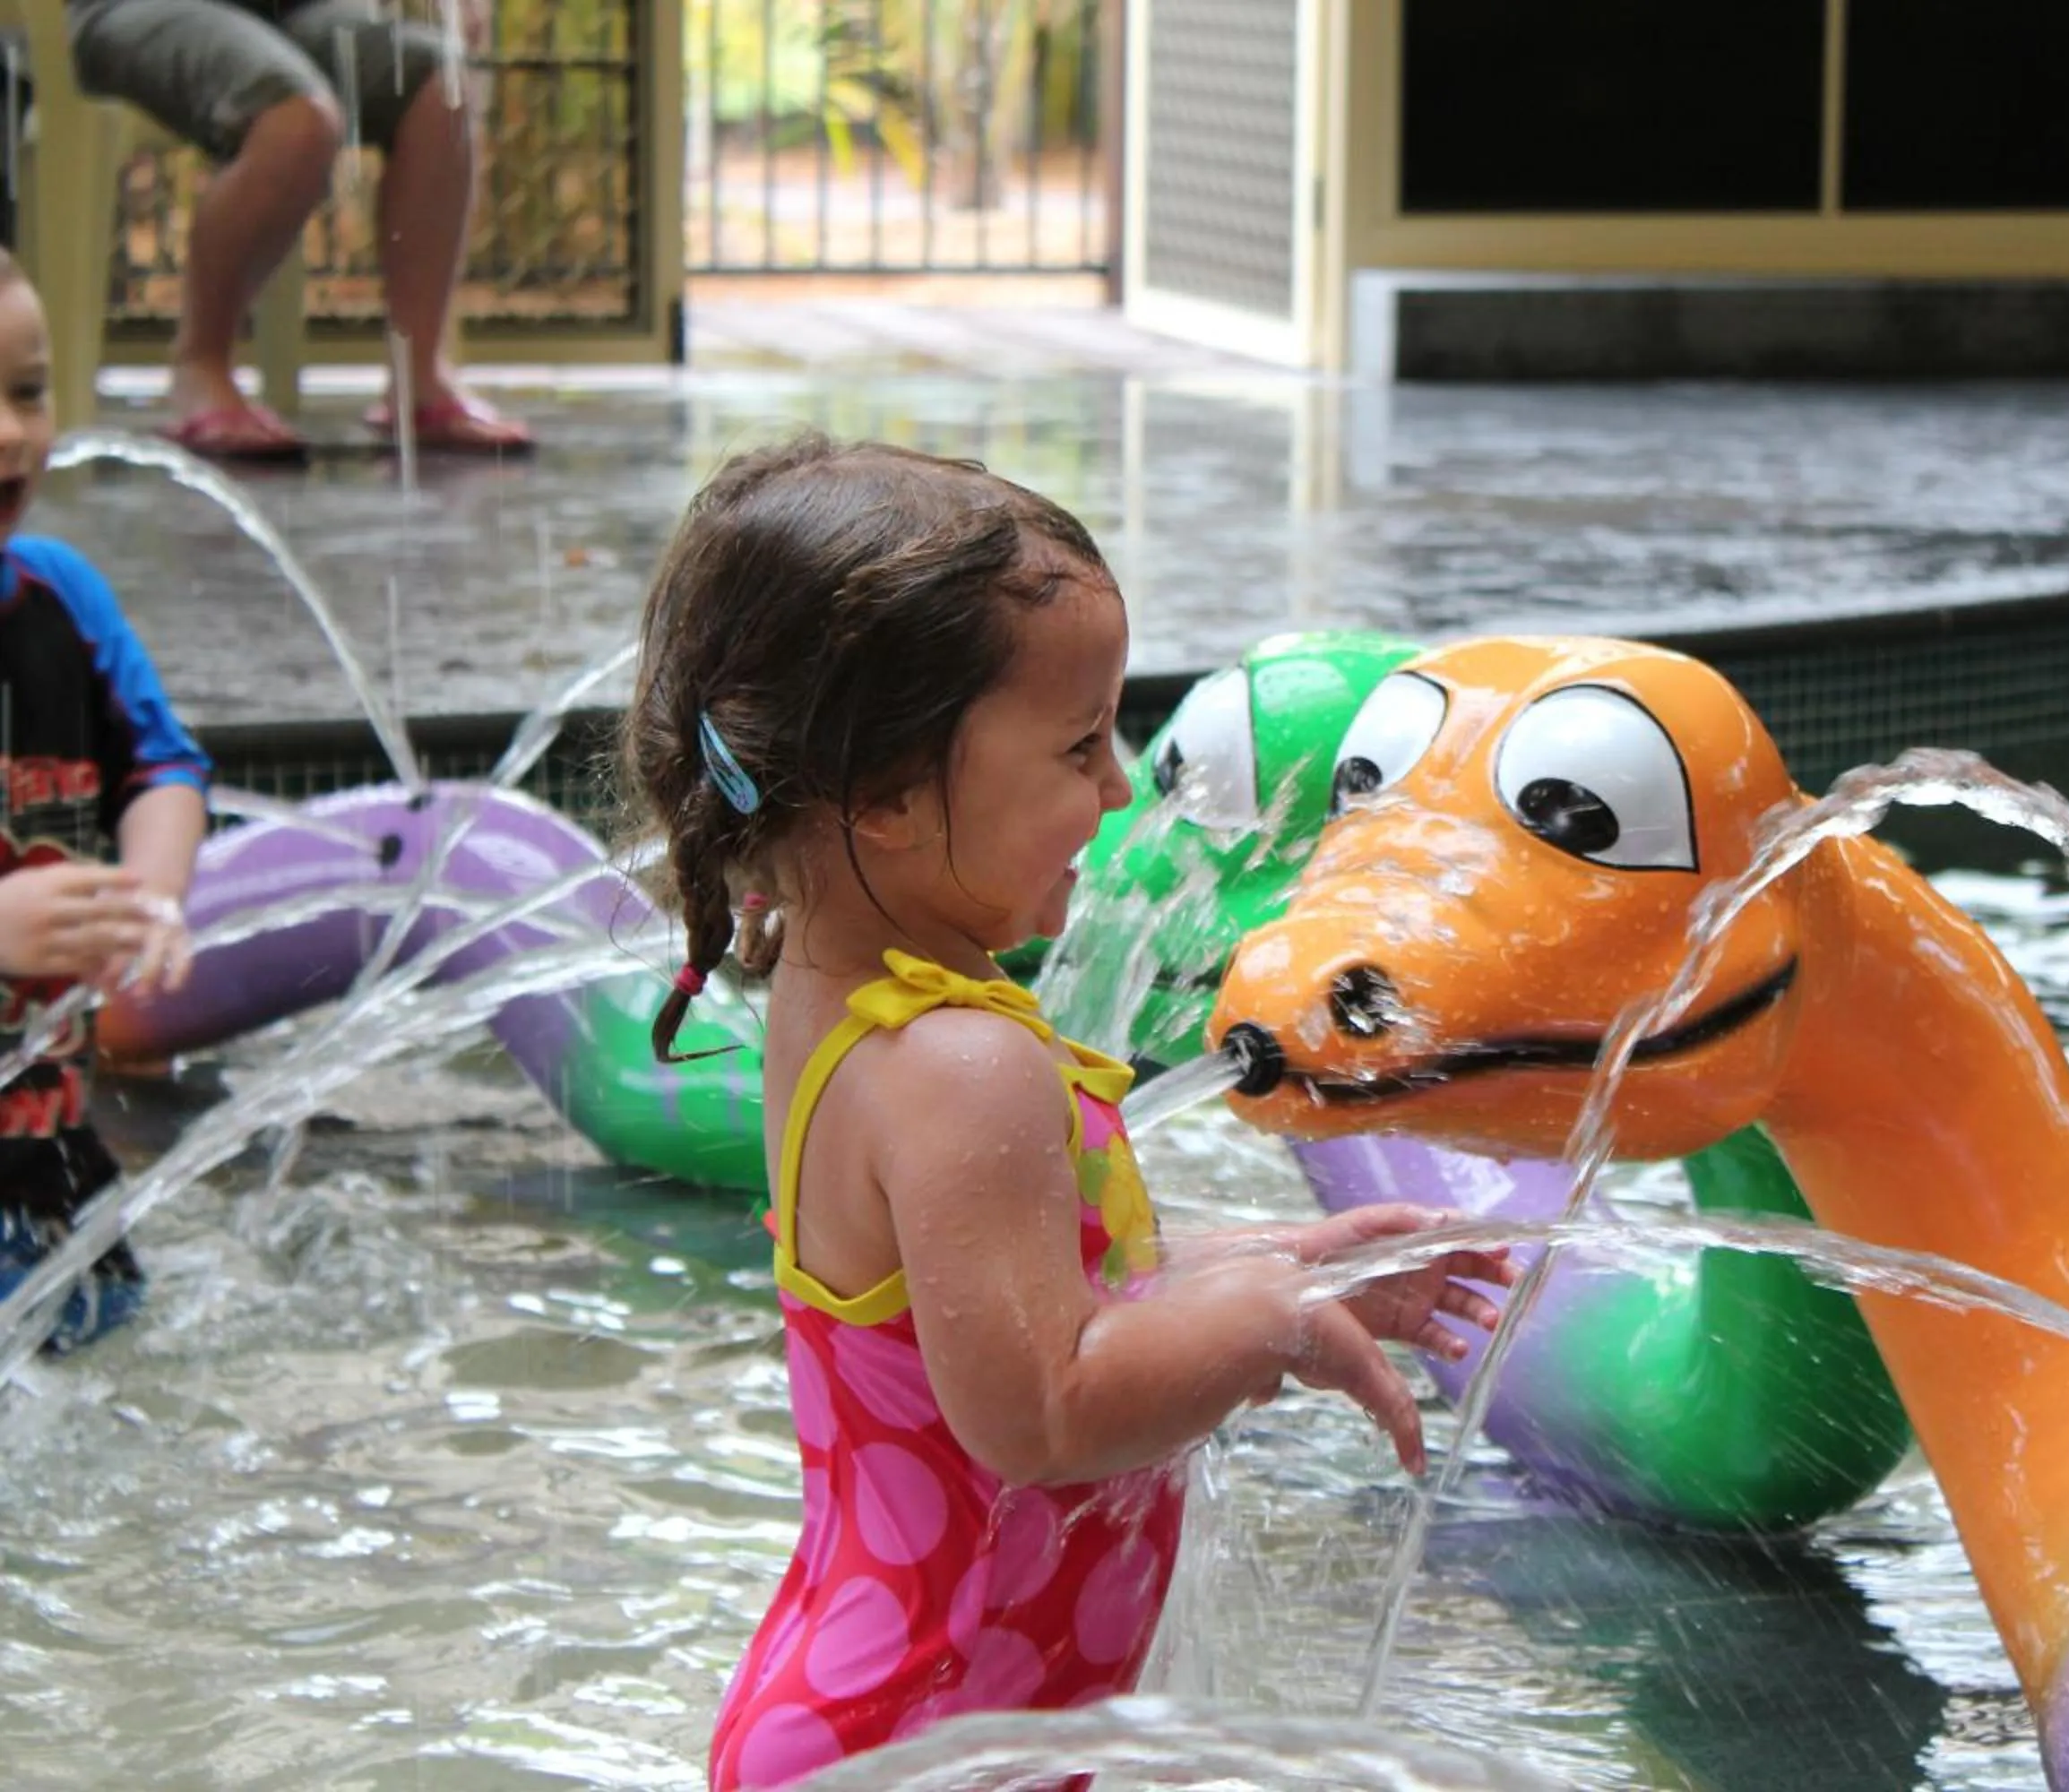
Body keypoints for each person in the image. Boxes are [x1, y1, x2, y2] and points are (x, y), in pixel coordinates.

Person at [620, 435, 1513, 1790]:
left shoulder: (856, 990)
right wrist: (1268, 1331)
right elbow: (1042, 1411)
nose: (1114, 788)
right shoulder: (958, 1064)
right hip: (921, 1745)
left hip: (911, 1716)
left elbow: (1019, 1304)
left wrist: (1275, 1264)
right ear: (886, 796)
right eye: (1080, 745)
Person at [0, 247, 210, 1348]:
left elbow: (163, 769)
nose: (10, 432)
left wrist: (154, 894)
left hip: (56, 1172)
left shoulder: (59, 600)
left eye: (28, 392)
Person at [66, 0, 531, 461]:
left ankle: (420, 377)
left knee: (440, 86)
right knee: (296, 118)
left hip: (297, 10)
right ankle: (200, 366)